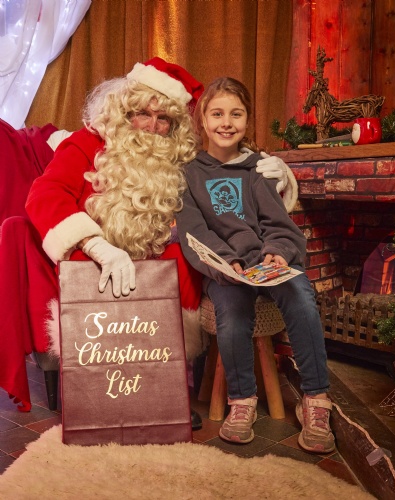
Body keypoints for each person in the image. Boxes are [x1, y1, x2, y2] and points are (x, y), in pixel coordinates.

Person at [4, 58, 291, 428]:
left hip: (155, 263)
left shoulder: (182, 158)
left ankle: (161, 390)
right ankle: (98, 394)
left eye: (163, 119)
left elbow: (230, 199)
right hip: (92, 260)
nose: (152, 127)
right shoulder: (87, 143)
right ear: (125, 111)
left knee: (183, 254)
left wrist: (276, 182)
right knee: (69, 254)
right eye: (143, 114)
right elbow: (45, 195)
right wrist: (97, 246)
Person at [176, 77, 335, 453]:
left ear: (247, 119)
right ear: (203, 119)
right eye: (217, 114)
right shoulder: (188, 174)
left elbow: (278, 225)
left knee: (300, 295)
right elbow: (194, 233)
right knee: (232, 312)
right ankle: (242, 400)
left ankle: (315, 400)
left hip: (267, 263)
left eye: (236, 114)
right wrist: (227, 263)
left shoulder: (258, 168)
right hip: (225, 270)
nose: (226, 122)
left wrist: (277, 252)